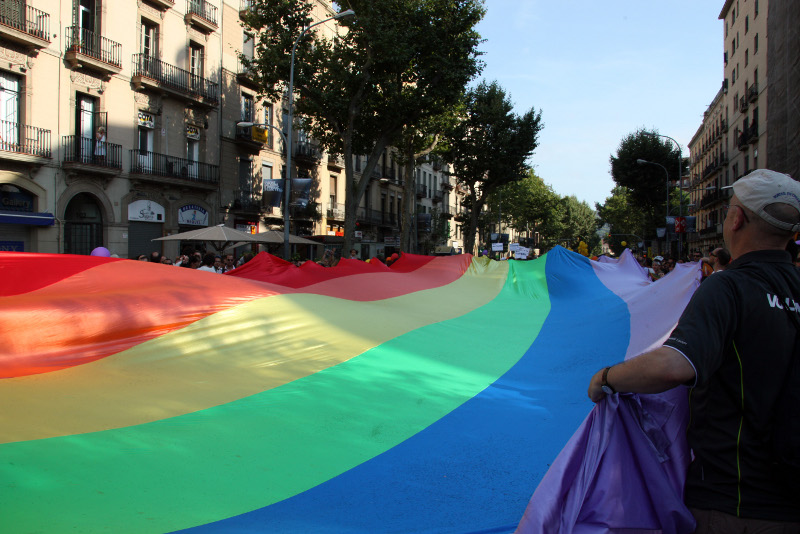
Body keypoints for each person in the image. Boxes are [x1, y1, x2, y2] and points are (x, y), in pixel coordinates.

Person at [587, 169, 800, 532]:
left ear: (736, 219)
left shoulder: (729, 287)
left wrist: (607, 377)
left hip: (733, 501)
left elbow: (673, 365)